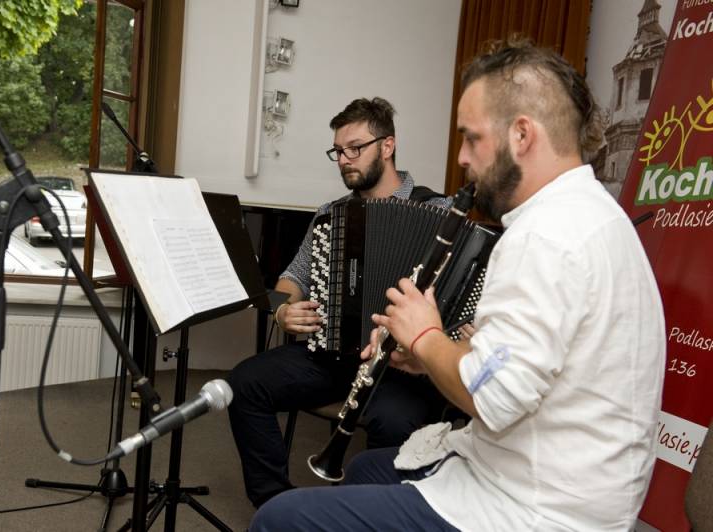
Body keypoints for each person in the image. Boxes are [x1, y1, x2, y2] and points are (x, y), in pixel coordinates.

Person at [250, 40, 666, 531]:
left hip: (538, 507)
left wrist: (425, 336)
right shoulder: (585, 212)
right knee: (365, 469)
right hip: (543, 471)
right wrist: (425, 356)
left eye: (471, 138)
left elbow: (491, 398)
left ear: (522, 134)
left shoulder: (545, 237)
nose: (463, 157)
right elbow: (525, 364)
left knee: (280, 520)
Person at [228, 97, 455, 508]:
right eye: (338, 151)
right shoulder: (330, 215)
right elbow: (288, 282)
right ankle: (275, 504)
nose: (344, 159)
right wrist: (282, 310)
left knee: (395, 421)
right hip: (335, 355)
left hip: (403, 366)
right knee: (245, 383)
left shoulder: (440, 212)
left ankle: (371, 515)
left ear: (387, 146)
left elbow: (458, 298)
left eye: (355, 148)